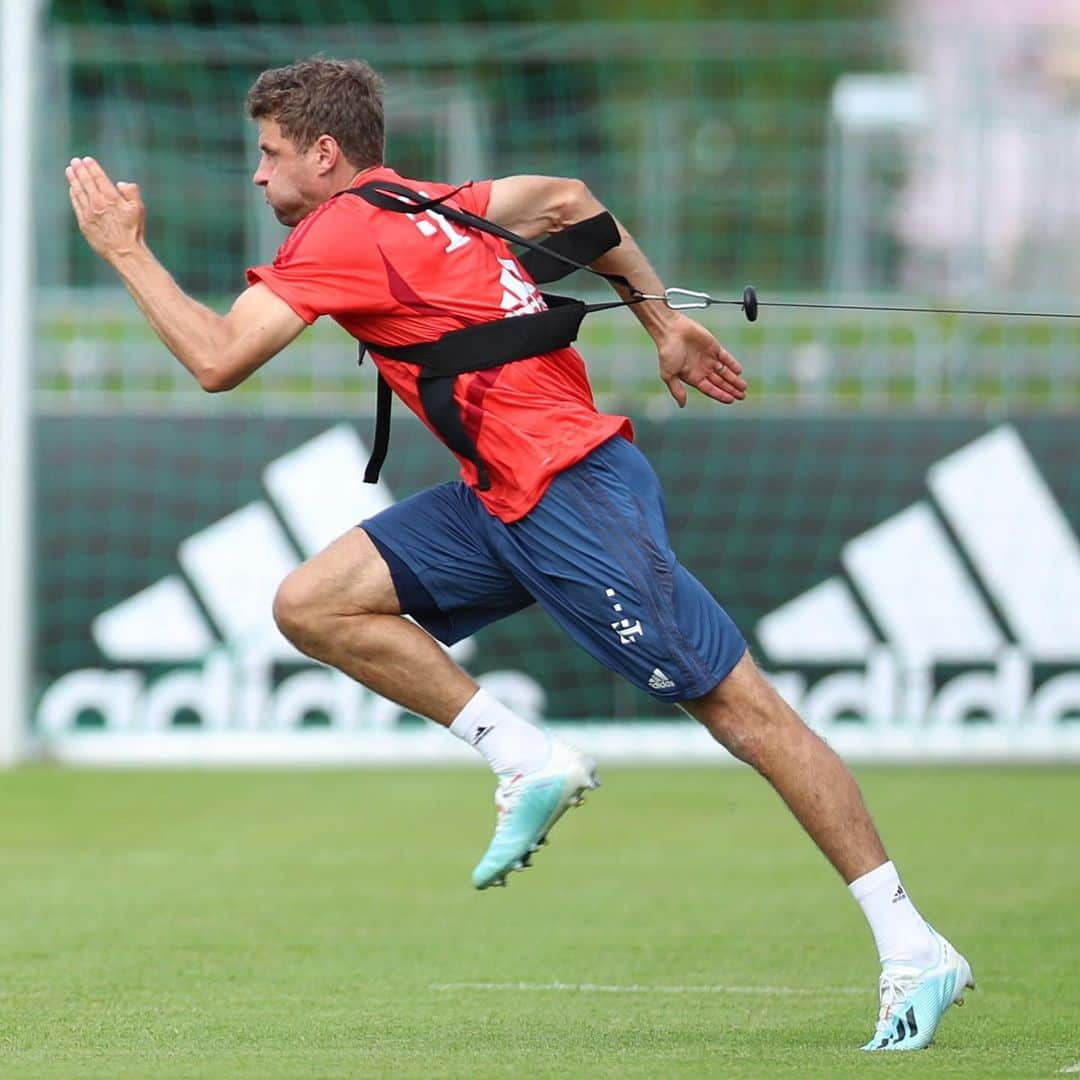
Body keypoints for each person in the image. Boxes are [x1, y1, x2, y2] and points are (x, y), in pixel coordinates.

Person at [66, 56, 973, 1052]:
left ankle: (914, 946)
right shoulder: (432, 201)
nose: (258, 177)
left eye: (270, 156)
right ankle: (526, 753)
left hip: (570, 497)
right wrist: (662, 322)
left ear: (325, 155)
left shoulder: (342, 230)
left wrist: (125, 250)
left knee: (743, 713)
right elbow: (571, 202)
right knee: (314, 603)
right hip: (503, 499)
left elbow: (215, 358)